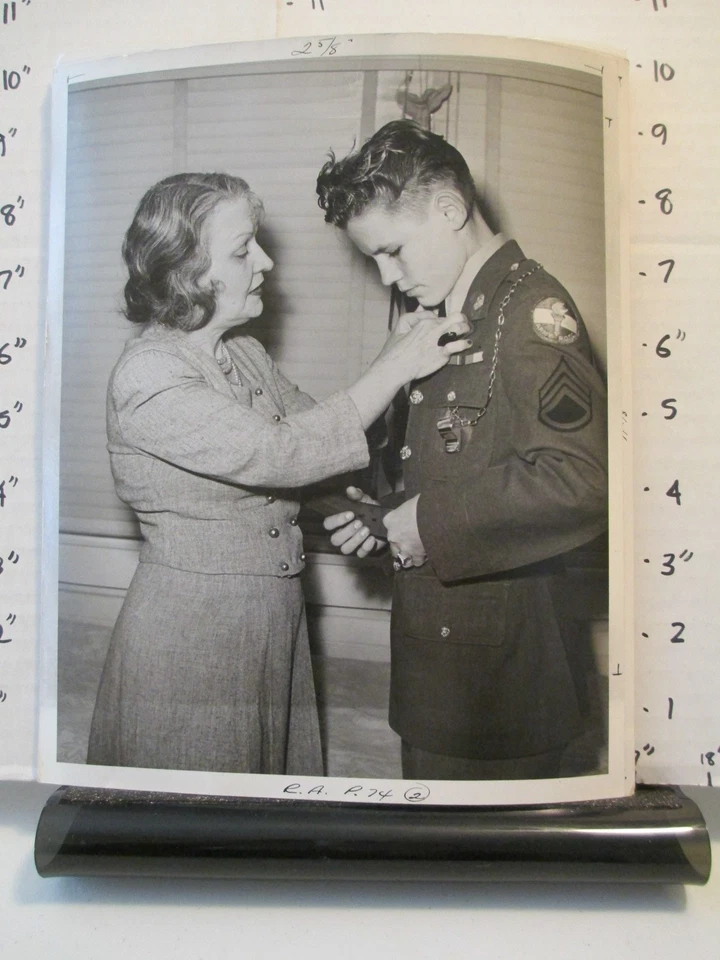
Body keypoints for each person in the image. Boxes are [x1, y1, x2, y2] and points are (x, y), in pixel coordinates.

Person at [86, 171, 471, 776]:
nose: (265, 262)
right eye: (243, 250)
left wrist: (357, 511)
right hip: (192, 634)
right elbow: (277, 454)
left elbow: (319, 440)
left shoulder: (242, 351)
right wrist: (393, 368)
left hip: (271, 618)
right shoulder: (149, 376)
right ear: (185, 268)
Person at [316, 120, 608, 781]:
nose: (386, 274)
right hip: (443, 665)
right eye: (373, 261)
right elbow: (456, 458)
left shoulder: (530, 308)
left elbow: (581, 480)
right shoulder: (454, 310)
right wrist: (385, 511)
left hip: (503, 679)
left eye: (392, 250)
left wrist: (424, 525)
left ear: (449, 210)